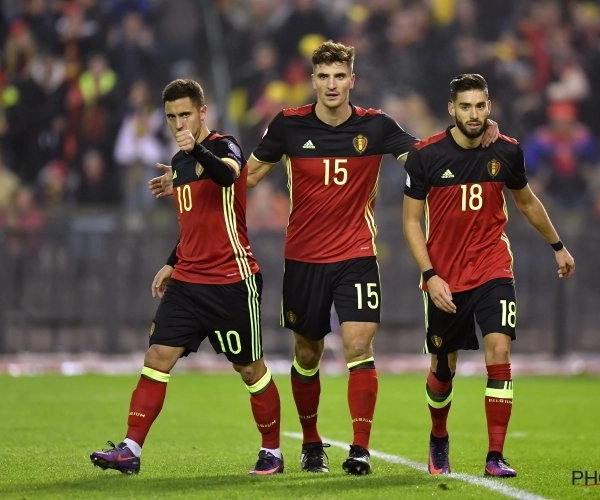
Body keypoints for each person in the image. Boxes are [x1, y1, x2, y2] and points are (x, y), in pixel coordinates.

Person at [148, 41, 499, 475]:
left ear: (352, 79)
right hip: (304, 258)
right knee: (307, 354)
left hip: (356, 255)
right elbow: (246, 178)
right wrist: (185, 177)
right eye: (323, 76)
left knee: (358, 345)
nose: (331, 84)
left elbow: (428, 156)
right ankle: (311, 444)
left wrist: (475, 127)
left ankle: (360, 449)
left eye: (339, 76)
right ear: (312, 81)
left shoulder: (377, 126)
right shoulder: (288, 125)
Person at [90, 79, 283, 476]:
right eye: (172, 116)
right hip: (189, 281)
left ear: (202, 113)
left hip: (232, 278)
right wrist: (171, 260)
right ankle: (130, 449)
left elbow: (229, 177)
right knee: (157, 357)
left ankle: (272, 452)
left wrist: (195, 152)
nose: (179, 123)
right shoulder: (179, 163)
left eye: (186, 114)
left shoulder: (225, 145)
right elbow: (196, 223)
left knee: (250, 369)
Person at [402, 74, 575, 478]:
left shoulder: (507, 151)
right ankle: (439, 437)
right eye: (466, 107)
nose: (474, 114)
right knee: (443, 368)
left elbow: (527, 202)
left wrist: (558, 246)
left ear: (489, 107)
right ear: (452, 110)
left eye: (480, 106)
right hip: (444, 279)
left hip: (492, 268)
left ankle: (495, 455)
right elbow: (411, 222)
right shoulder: (426, 156)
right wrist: (430, 275)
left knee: (499, 353)